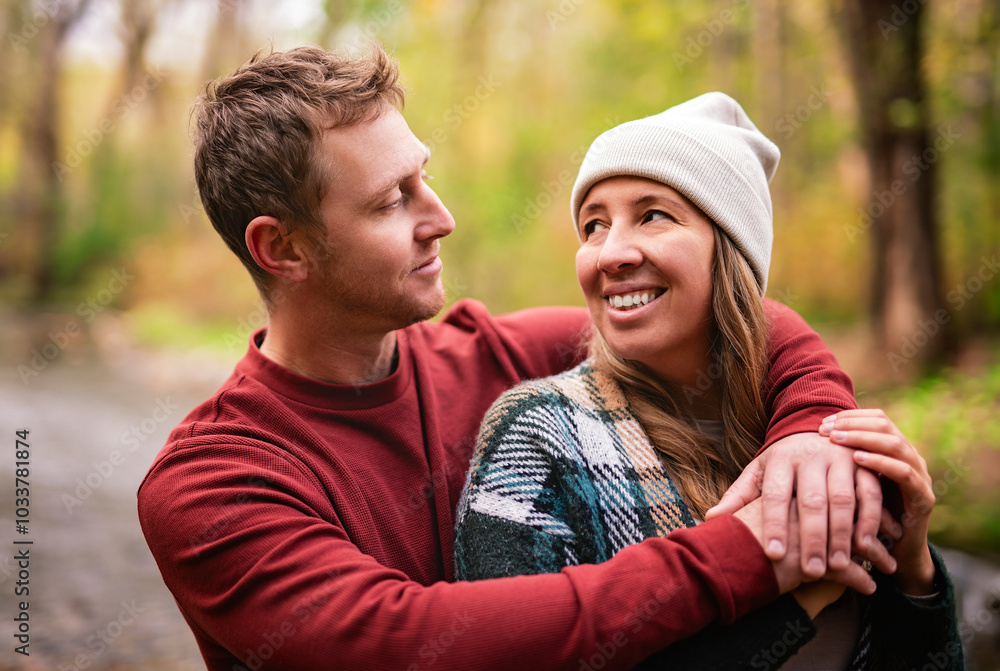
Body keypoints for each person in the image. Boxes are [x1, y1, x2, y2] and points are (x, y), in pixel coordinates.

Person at [139, 45, 886, 670]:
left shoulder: (491, 354)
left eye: (422, 176)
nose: (442, 217)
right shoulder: (208, 486)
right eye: (391, 201)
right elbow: (411, 640)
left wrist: (808, 433)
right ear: (283, 247)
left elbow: (731, 324)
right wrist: (746, 553)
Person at [453, 93, 963, 669]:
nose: (610, 252)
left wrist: (914, 569)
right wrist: (802, 601)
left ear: (732, 251)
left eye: (653, 215)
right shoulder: (537, 435)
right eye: (593, 225)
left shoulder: (813, 433)